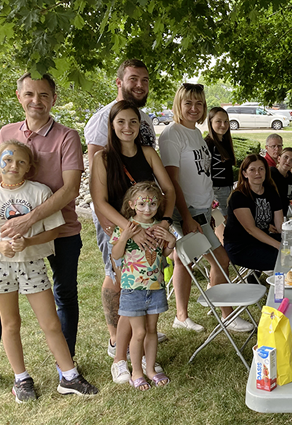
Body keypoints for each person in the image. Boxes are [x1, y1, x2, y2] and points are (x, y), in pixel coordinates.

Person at [0, 73, 84, 394]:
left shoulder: (66, 137)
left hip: (60, 231)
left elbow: (70, 188)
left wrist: (27, 220)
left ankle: (67, 369)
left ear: (53, 99)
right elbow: (4, 174)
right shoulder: (7, 132)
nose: (37, 100)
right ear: (19, 96)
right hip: (8, 246)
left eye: (44, 95)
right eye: (30, 94)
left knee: (63, 296)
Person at [84, 59, 165, 354]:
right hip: (114, 217)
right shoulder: (103, 117)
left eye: (145, 79)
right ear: (119, 82)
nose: (140, 85)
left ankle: (136, 327)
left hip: (143, 216)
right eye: (133, 79)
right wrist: (116, 225)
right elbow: (98, 178)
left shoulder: (143, 120)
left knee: (140, 270)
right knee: (116, 273)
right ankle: (115, 337)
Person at [90, 100, 176, 377]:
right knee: (126, 294)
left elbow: (168, 190)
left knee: (142, 291)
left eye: (133, 122)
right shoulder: (102, 158)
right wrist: (131, 229)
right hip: (122, 233)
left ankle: (139, 360)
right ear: (112, 125)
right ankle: (119, 358)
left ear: (140, 126)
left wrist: (164, 222)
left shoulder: (148, 153)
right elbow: (100, 201)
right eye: (121, 122)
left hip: (150, 231)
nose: (128, 127)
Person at [159, 84, 253, 333]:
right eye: (188, 102)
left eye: (199, 103)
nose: (194, 108)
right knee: (221, 259)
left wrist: (209, 208)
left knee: (183, 261)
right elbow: (172, 182)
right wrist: (188, 217)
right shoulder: (172, 134)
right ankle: (226, 314)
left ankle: (181, 315)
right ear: (178, 104)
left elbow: (201, 176)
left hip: (201, 209)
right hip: (186, 211)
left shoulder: (196, 134)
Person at [110, 182, 173, 389]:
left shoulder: (158, 227)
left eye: (153, 204)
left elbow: (161, 255)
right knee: (138, 333)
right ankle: (136, 371)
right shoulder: (126, 226)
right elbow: (116, 255)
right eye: (142, 204)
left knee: (152, 330)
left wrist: (171, 241)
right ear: (132, 205)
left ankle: (151, 368)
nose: (148, 209)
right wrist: (126, 235)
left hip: (155, 287)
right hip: (133, 288)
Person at [224, 154, 283, 271]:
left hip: (262, 240)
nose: (257, 173)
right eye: (252, 170)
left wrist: (289, 240)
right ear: (245, 173)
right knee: (284, 260)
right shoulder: (239, 196)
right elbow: (251, 229)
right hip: (241, 247)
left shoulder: (271, 192)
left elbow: (280, 226)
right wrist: (279, 246)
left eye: (261, 169)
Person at [204, 106, 236, 220]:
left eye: (226, 121)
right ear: (210, 122)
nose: (223, 125)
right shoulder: (207, 144)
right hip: (216, 192)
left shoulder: (225, 141)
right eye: (218, 121)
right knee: (222, 222)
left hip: (227, 189)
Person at [270, 147, 292, 216]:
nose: (288, 161)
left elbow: (290, 199)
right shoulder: (269, 174)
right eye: (285, 157)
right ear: (279, 158)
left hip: (283, 216)